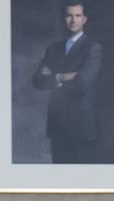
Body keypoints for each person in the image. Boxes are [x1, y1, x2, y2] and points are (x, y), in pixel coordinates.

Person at [31, 2, 102, 163]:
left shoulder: (93, 48)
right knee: (60, 179)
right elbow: (37, 81)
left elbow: (83, 82)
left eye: (77, 15)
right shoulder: (53, 49)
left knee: (84, 180)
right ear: (64, 18)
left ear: (84, 19)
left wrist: (53, 77)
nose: (73, 20)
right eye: (69, 15)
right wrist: (63, 77)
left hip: (81, 126)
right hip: (58, 124)